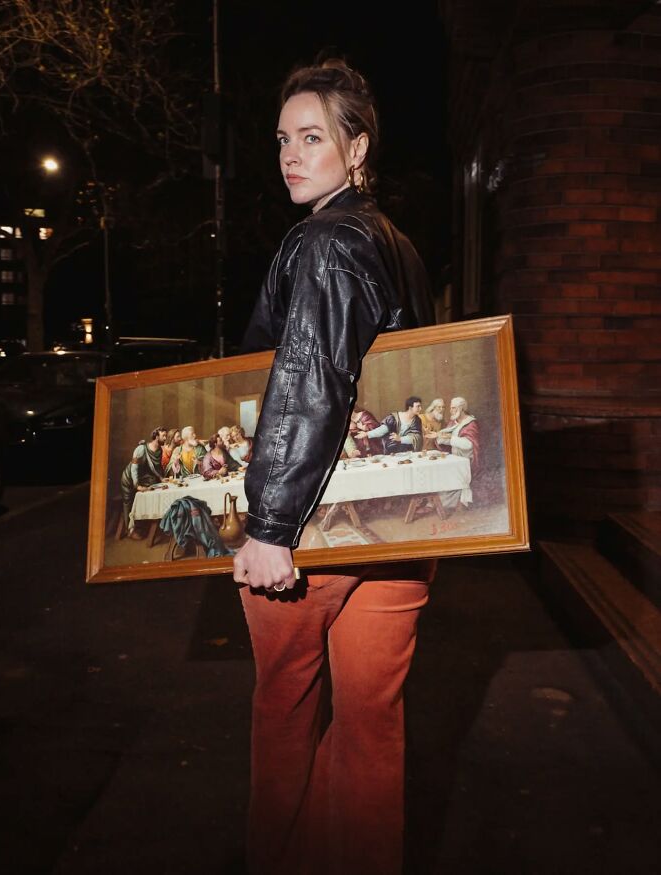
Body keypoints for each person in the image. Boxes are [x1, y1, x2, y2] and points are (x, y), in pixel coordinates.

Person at [231, 57, 436, 875]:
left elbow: (309, 375)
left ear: (358, 149)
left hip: (310, 531)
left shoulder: (322, 240)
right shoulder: (402, 247)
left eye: (312, 136)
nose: (290, 153)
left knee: (283, 713)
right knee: (371, 729)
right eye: (284, 138)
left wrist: (270, 526)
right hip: (402, 532)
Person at [119, 426, 166, 538]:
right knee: (128, 502)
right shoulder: (141, 449)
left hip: (142, 478)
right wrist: (137, 486)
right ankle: (129, 530)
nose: (165, 438)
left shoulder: (159, 450)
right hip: (130, 479)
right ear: (156, 437)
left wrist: (161, 478)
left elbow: (156, 467)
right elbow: (134, 469)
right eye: (163, 435)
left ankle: (145, 526)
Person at [436, 396, 481, 512]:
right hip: (455, 458)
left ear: (461, 409)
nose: (450, 411)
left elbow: (469, 445)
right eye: (450, 408)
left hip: (467, 460)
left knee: (450, 475)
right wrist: (440, 437)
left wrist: (449, 438)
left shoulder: (470, 424)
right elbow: (444, 439)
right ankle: (439, 503)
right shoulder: (453, 422)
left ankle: (458, 504)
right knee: (440, 472)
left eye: (454, 408)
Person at [358, 396, 424, 454]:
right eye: (418, 406)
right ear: (410, 408)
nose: (420, 409)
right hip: (391, 449)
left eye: (420, 406)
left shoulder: (417, 421)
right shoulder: (393, 418)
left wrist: (400, 439)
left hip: (408, 450)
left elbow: (417, 437)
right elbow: (382, 430)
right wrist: (367, 434)